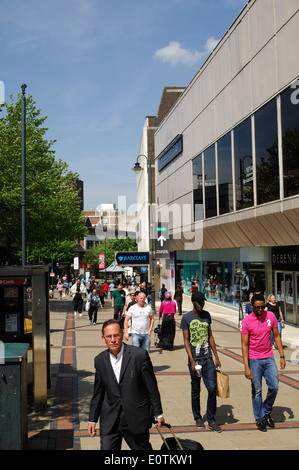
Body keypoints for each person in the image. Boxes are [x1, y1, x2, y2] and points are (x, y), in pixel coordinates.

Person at [88, 319, 164, 450]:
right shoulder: (100, 360)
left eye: (116, 335)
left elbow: (151, 387)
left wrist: (158, 413)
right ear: (103, 338)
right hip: (110, 420)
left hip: (135, 418)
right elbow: (98, 392)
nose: (113, 340)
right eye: (109, 336)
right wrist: (92, 419)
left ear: (122, 335)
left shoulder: (139, 356)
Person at [240, 293, 286, 432]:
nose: (260, 310)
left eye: (262, 307)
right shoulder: (246, 321)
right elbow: (244, 346)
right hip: (254, 359)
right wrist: (246, 367)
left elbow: (276, 336)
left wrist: (282, 356)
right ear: (252, 306)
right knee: (257, 391)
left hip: (269, 357)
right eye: (257, 308)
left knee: (274, 386)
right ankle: (259, 419)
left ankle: (265, 412)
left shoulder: (270, 317)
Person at [180, 291, 222, 432]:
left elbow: (210, 336)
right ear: (193, 302)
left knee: (212, 388)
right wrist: (191, 361)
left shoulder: (207, 316)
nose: (201, 304)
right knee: (196, 389)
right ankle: (198, 417)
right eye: (199, 302)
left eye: (203, 302)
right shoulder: (187, 318)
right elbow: (186, 340)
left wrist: (216, 356)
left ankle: (211, 419)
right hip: (195, 360)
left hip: (208, 359)